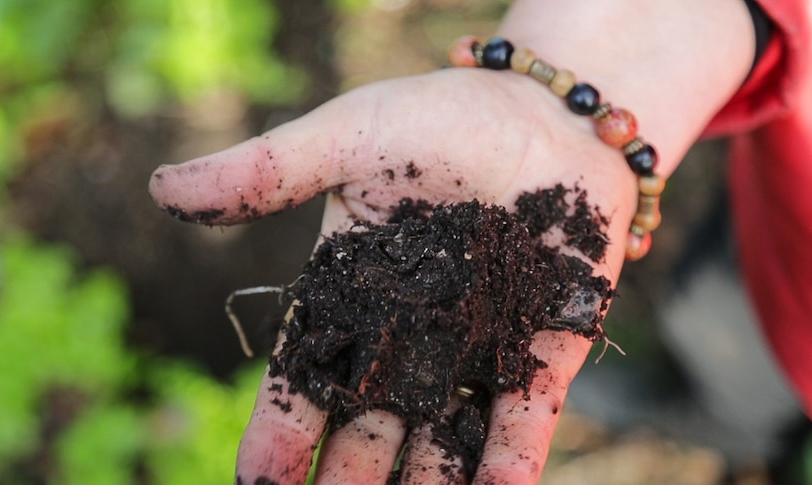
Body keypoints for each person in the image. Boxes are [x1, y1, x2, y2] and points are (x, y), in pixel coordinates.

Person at [148, 0, 812, 483]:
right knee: (718, 334)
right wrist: (589, 66)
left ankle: (741, 433)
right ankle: (718, 417)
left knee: (743, 376)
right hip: (784, 252)